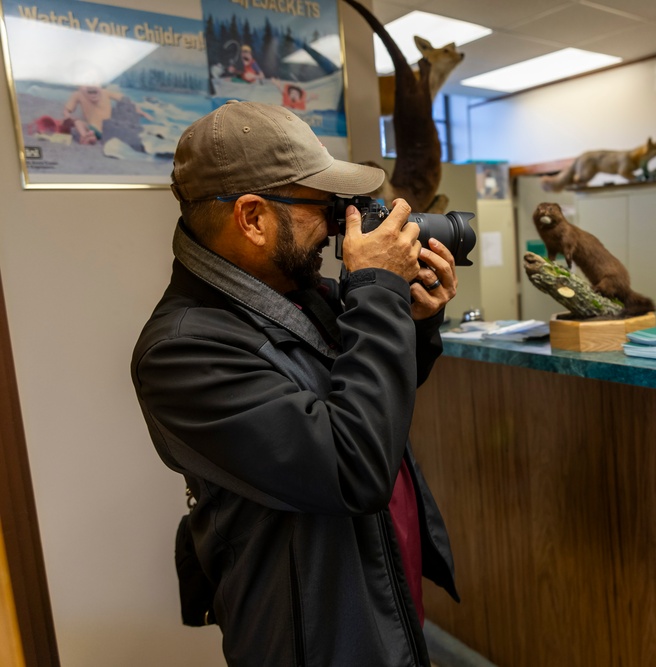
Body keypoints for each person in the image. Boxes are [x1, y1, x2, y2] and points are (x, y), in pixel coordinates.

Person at [130, 100, 460, 666]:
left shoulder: (299, 293)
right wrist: (376, 292)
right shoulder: (182, 352)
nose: (340, 223)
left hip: (378, 585)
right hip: (316, 635)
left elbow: (373, 406)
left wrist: (417, 324)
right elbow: (352, 466)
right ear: (253, 218)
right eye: (324, 205)